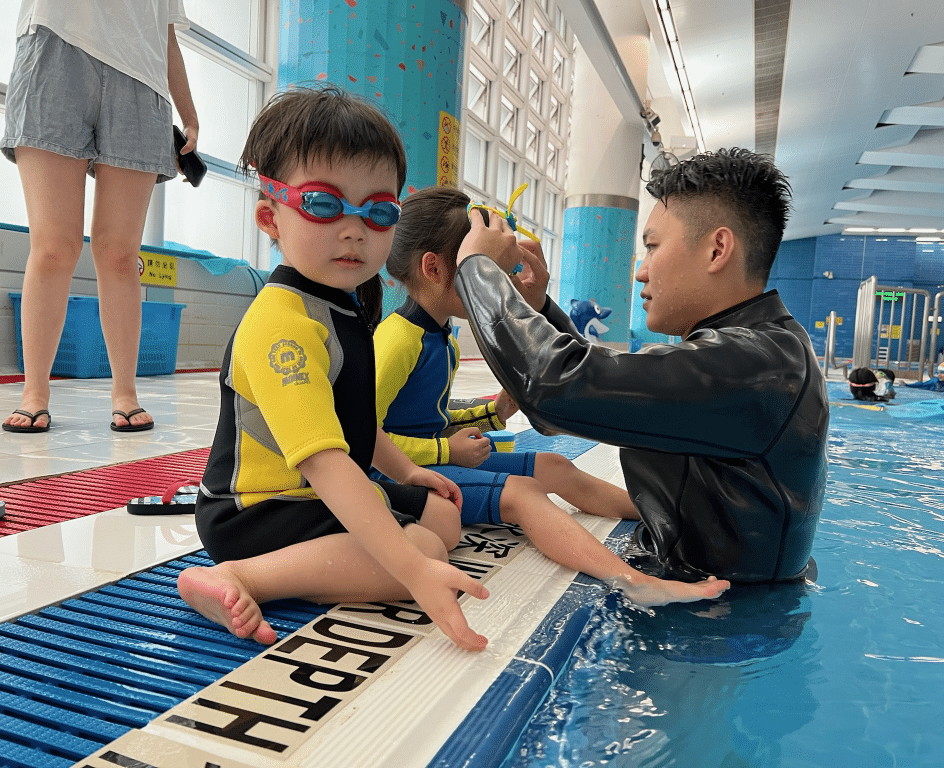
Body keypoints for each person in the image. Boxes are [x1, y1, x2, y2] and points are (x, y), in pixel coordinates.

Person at [176, 86, 489, 652]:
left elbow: (353, 424)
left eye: (378, 211)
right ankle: (240, 577)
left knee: (442, 520)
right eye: (323, 204)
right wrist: (413, 571)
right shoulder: (282, 324)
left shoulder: (339, 307)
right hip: (256, 511)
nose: (354, 229)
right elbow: (323, 459)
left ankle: (335, 559)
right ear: (270, 217)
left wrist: (404, 471)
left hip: (309, 495)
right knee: (423, 552)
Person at [452, 147, 829, 584]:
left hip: (714, 610)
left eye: (652, 247)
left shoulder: (756, 366)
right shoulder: (765, 350)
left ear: (717, 249)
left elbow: (555, 389)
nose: (640, 272)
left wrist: (475, 268)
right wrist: (538, 308)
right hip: (723, 587)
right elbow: (593, 394)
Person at [375, 186, 729, 606]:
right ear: (433, 268)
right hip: (397, 475)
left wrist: (492, 411)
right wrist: (445, 451)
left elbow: (425, 415)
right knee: (523, 493)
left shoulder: (440, 338)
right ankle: (633, 581)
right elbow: (360, 437)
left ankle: (672, 516)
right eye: (477, 264)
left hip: (430, 458)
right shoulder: (397, 340)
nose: (498, 281)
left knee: (554, 465)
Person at [2, 0, 199, 433]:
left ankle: (125, 393)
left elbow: (165, 34)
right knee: (53, 247)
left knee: (120, 254)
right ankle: (35, 392)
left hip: (142, 78)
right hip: (56, 49)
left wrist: (189, 115)